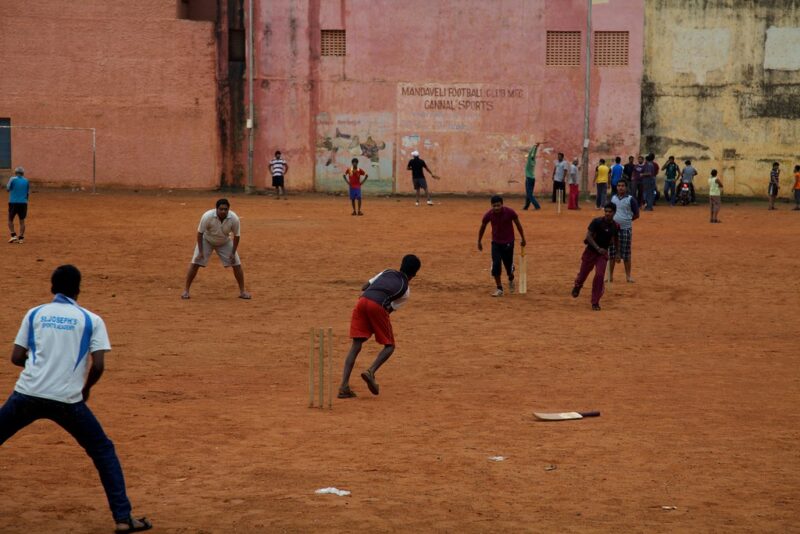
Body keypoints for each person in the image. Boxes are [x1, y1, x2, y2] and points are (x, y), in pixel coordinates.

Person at [0, 265, 152, 533]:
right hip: (67, 400)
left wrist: (40, 367)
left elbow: (15, 357)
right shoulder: (91, 319)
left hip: (27, 393)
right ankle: (123, 517)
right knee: (102, 451)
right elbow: (99, 365)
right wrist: (86, 388)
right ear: (78, 289)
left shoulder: (35, 313)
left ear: (51, 287)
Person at [338, 255, 421, 399]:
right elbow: (387, 310)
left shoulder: (387, 271)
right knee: (389, 346)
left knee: (356, 345)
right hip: (377, 306)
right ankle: (370, 371)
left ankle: (344, 386)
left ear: (401, 265)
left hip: (362, 301)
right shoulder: (405, 290)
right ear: (414, 274)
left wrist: (366, 300)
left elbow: (365, 286)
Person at [181, 198, 251, 300]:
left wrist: (233, 252)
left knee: (237, 264)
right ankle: (186, 291)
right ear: (216, 209)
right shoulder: (207, 216)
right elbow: (200, 233)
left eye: (225, 209)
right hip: (207, 240)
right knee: (195, 263)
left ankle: (242, 292)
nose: (223, 211)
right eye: (221, 209)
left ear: (228, 210)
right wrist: (200, 252)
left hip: (224, 241)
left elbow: (237, 236)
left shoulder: (234, 219)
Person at [572, 203, 620, 311]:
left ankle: (595, 302)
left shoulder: (616, 226)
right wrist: (598, 248)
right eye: (606, 211)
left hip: (602, 255)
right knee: (583, 274)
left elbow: (616, 239)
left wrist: (617, 253)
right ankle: (578, 285)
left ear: (614, 213)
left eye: (610, 212)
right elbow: (588, 236)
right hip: (590, 252)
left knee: (599, 275)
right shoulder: (597, 222)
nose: (607, 213)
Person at [477, 195, 527, 297]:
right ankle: (499, 288)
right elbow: (482, 226)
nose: (496, 208)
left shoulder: (510, 212)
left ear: (502, 204)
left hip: (508, 242)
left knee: (508, 266)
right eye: (494, 206)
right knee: (496, 264)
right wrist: (479, 241)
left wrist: (523, 238)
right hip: (495, 243)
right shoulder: (489, 215)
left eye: (498, 205)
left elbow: (518, 225)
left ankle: (511, 276)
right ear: (491, 206)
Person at [608, 181, 639, 283]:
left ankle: (628, 276)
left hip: (625, 229)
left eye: (622, 186)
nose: (620, 188)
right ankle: (610, 276)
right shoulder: (613, 198)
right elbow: (609, 211)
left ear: (626, 187)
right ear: (616, 187)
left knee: (626, 253)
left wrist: (627, 220)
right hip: (613, 230)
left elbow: (636, 214)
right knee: (611, 252)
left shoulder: (630, 199)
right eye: (619, 186)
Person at [6, 166, 29, 244]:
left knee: (10, 219)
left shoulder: (12, 179)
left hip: (13, 202)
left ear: (15, 173)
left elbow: (8, 188)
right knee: (22, 221)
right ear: (23, 173)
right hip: (23, 203)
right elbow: (27, 193)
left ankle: (13, 235)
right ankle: (21, 238)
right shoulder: (26, 180)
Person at [522, 143, 541, 210]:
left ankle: (537, 206)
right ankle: (526, 206)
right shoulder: (533, 161)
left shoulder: (529, 162)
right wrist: (536, 148)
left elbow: (530, 153)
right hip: (532, 178)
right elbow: (534, 154)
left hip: (529, 179)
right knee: (529, 193)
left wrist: (534, 146)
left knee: (529, 194)